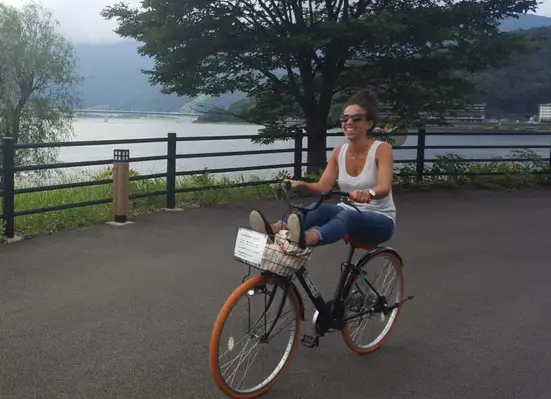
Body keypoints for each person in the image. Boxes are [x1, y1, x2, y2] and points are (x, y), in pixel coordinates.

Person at [249, 88, 396, 249]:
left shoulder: (382, 149)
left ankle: (306, 238)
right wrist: (300, 184)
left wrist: (368, 193)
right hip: (346, 212)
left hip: (380, 221)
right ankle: (275, 229)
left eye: (356, 118)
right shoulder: (338, 152)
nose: (349, 122)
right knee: (316, 209)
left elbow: (384, 188)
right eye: (345, 118)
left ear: (369, 123)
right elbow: (323, 187)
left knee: (347, 214)